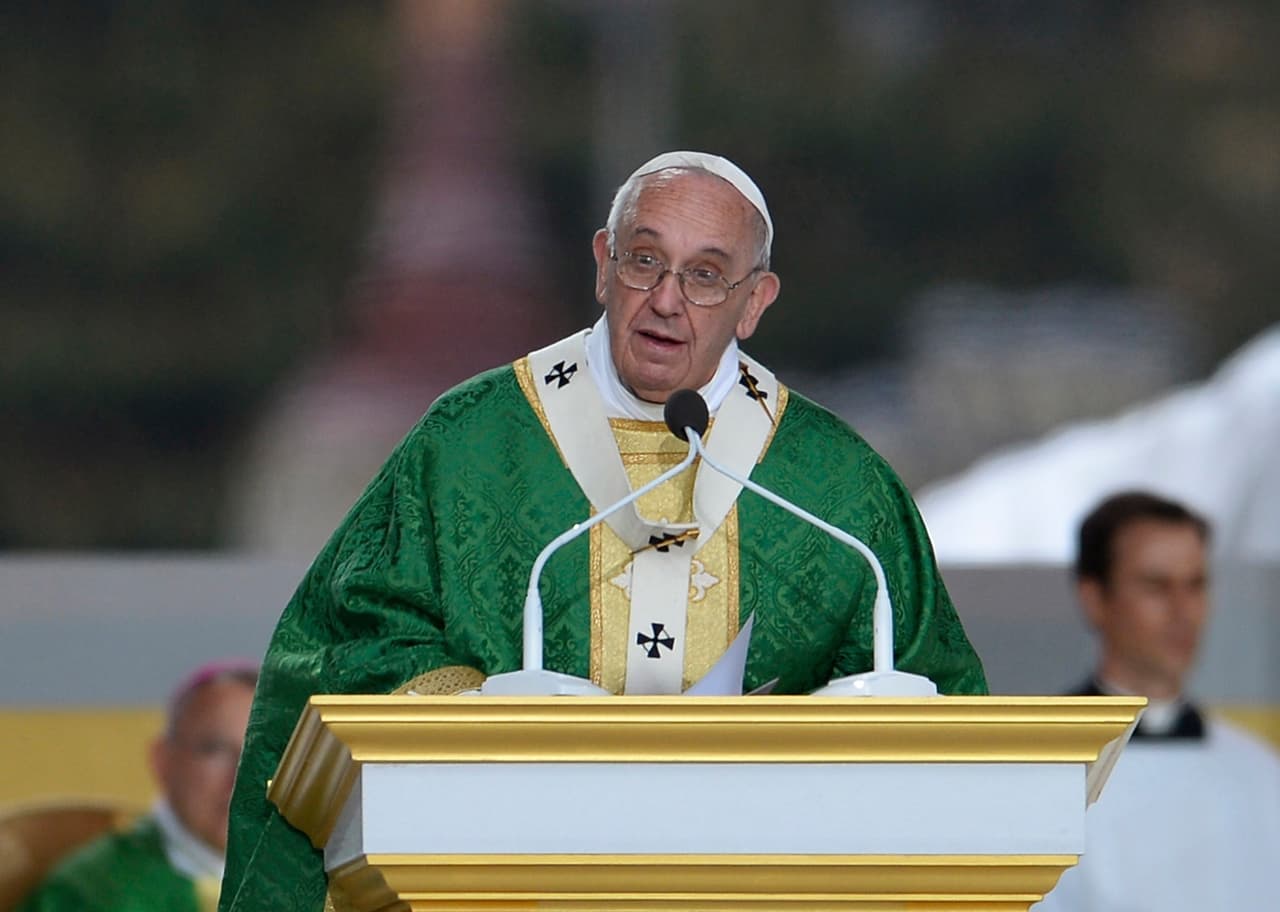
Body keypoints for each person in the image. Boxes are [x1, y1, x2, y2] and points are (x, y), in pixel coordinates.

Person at [218, 150, 987, 912]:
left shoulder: (836, 488)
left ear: (756, 302)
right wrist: (483, 715)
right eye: (645, 260)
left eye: (708, 274)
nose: (667, 299)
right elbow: (345, 645)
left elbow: (938, 708)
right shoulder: (472, 444)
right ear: (601, 265)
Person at [1034, 491, 1280, 911]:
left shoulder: (1260, 770)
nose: (1183, 611)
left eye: (1195, 585)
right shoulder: (1034, 769)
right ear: (1095, 598)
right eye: (1157, 586)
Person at [18, 661, 258, 912]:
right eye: (215, 749)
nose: (243, 779)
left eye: (267, 755)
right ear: (162, 760)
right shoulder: (93, 894)